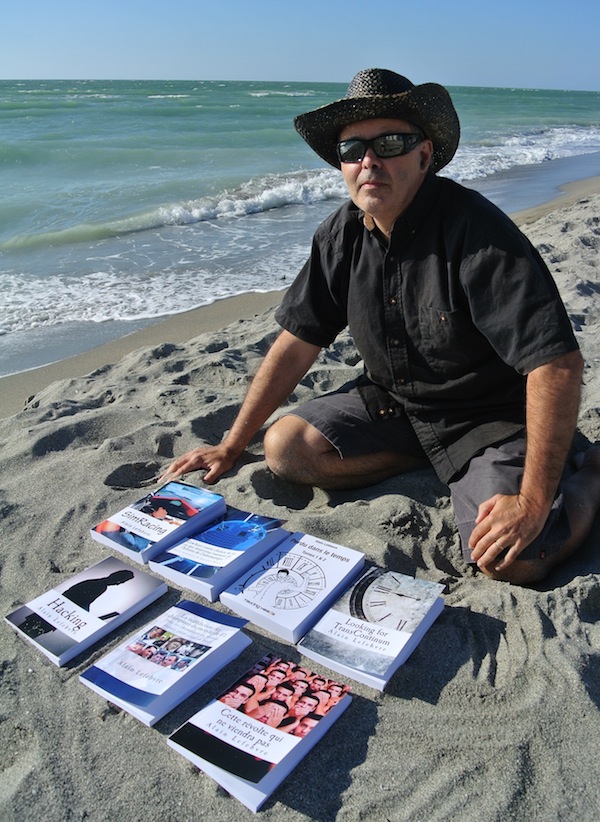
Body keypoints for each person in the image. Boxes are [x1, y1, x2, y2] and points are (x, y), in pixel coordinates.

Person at [161, 68, 600, 585]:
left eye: (390, 142)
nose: (369, 160)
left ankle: (592, 471)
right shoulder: (340, 235)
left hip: (491, 420)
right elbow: (296, 343)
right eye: (352, 149)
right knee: (285, 450)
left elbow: (557, 365)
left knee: (514, 559)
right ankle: (426, 460)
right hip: (397, 404)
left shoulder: (477, 233)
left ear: (424, 154)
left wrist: (531, 502)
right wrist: (233, 444)